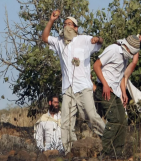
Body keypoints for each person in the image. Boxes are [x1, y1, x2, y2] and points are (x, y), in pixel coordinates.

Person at [42, 10, 105, 154]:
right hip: (68, 88)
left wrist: (98, 39)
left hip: (83, 87)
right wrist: (51, 20)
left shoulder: (83, 40)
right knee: (66, 122)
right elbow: (45, 38)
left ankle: (110, 140)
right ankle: (71, 151)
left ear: (76, 28)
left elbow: (99, 41)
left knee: (91, 115)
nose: (66, 27)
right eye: (64, 24)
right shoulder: (59, 42)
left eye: (69, 24)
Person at [93, 35, 141, 156]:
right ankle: (105, 152)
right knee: (114, 119)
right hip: (104, 89)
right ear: (127, 47)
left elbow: (120, 77)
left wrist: (124, 92)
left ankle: (117, 152)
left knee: (122, 121)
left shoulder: (125, 57)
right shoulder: (113, 50)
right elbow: (96, 65)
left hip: (114, 92)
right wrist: (104, 84)